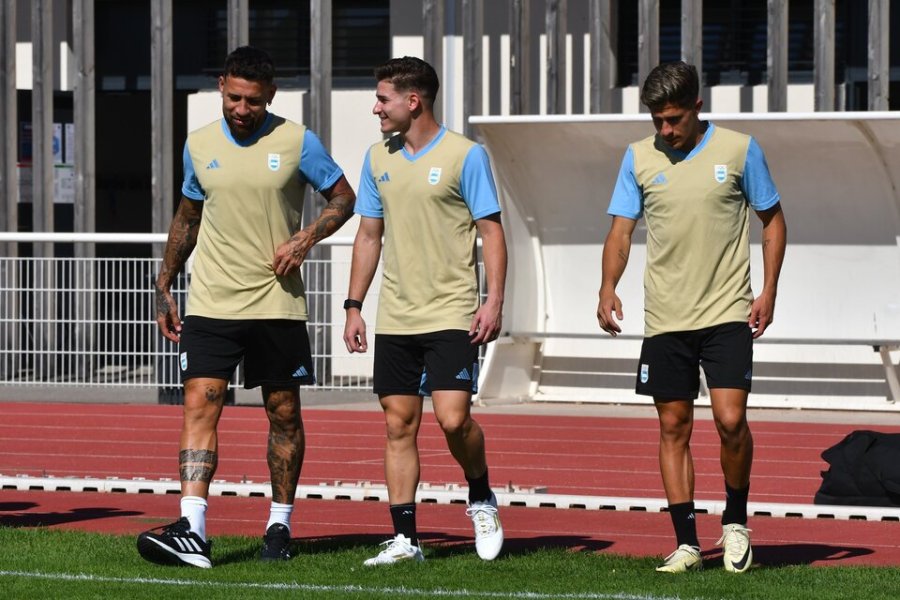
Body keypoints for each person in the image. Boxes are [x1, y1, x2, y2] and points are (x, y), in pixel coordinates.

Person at [137, 46, 356, 568]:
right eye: (234, 98)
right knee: (200, 404)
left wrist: (304, 240)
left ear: (270, 97)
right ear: (221, 87)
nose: (241, 109)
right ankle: (192, 528)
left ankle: (279, 526)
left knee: (283, 414)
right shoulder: (199, 143)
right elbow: (188, 216)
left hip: (277, 305)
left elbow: (343, 198)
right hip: (212, 301)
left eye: (252, 101)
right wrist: (164, 283)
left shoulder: (298, 141)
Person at [596, 61, 786, 574]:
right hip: (665, 318)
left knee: (730, 422)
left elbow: (772, 221)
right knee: (673, 425)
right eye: (658, 120)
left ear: (698, 108)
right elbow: (620, 233)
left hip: (727, 311)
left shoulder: (741, 150)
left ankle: (736, 523)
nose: (665, 130)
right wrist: (607, 286)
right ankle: (686, 543)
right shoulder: (638, 158)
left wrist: (768, 290)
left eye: (674, 119)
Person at [342, 56, 508, 566]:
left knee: (454, 421)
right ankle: (406, 539)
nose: (376, 108)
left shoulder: (466, 156)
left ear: (413, 101)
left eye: (383, 99)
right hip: (397, 316)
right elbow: (369, 235)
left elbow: (491, 231)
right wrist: (353, 306)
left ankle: (480, 495)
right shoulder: (377, 158)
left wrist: (494, 299)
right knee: (398, 425)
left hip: (452, 313)